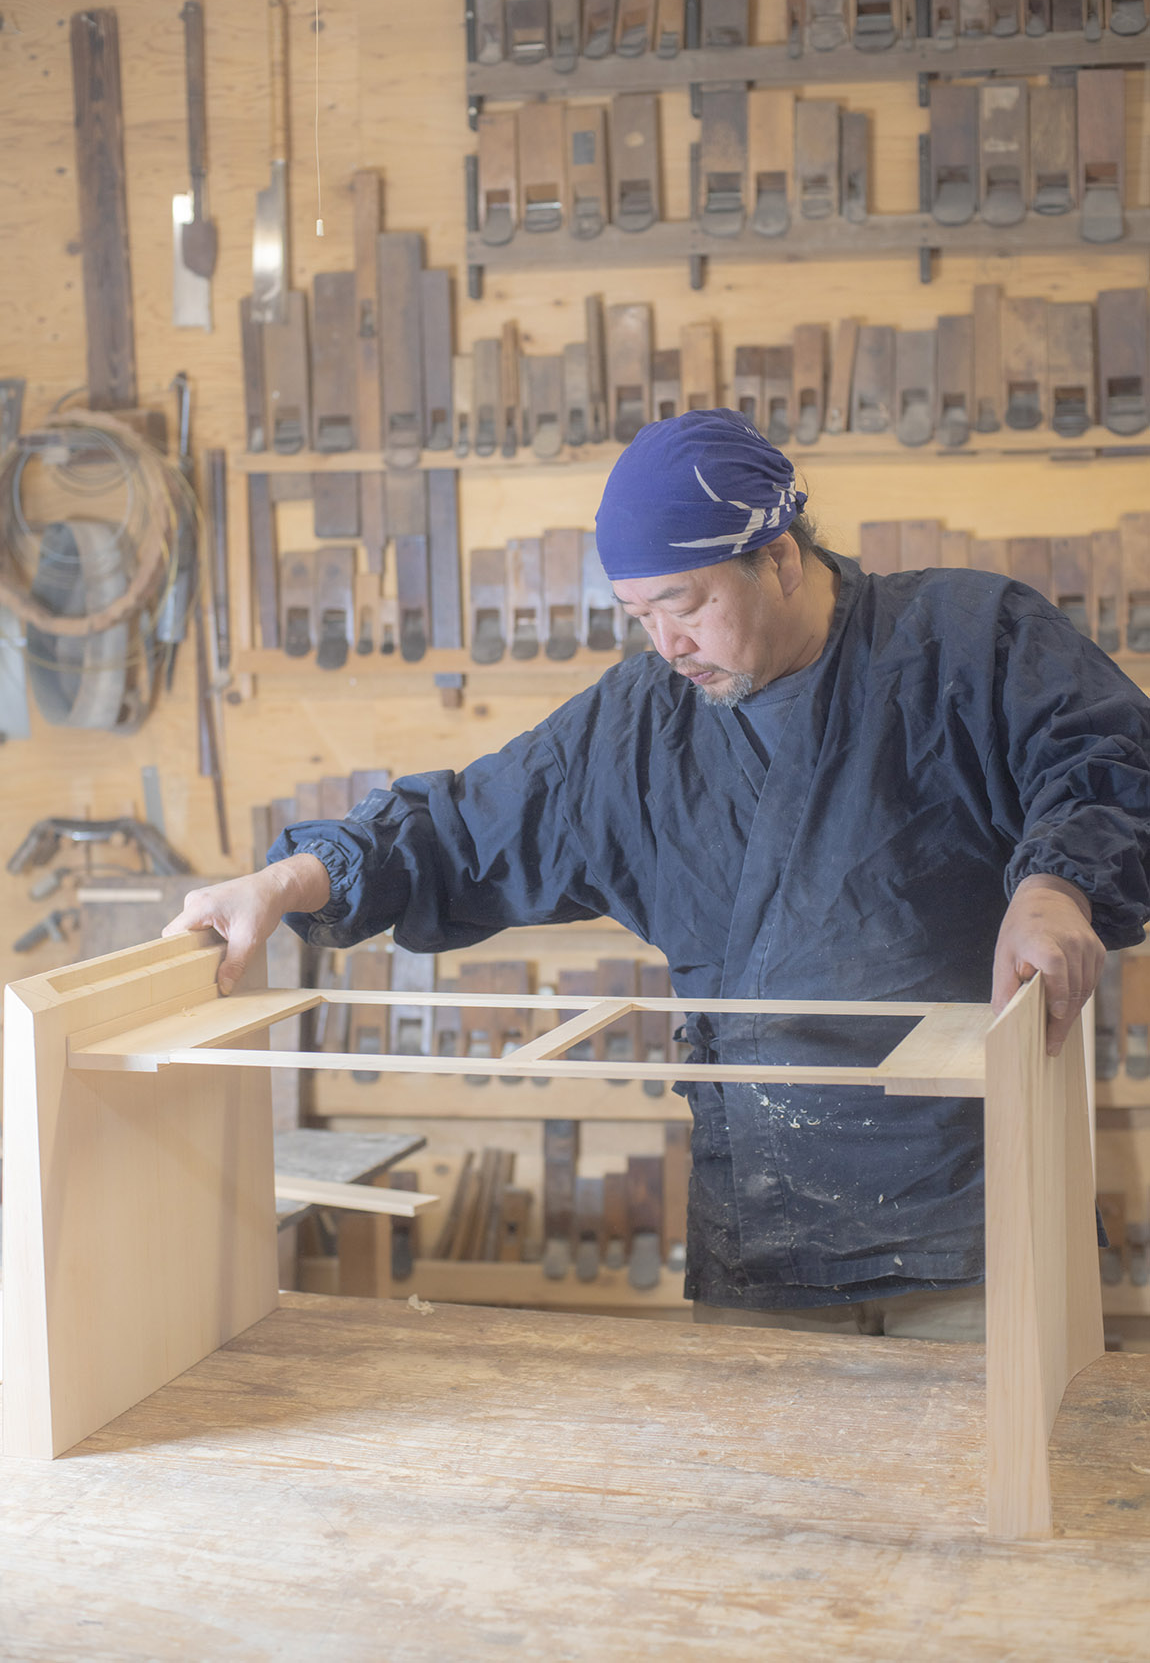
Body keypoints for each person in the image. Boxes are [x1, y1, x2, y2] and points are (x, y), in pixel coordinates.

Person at [165, 409, 1150, 1339]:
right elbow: (459, 833)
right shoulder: (638, 727)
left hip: (977, 1220)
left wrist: (1056, 887)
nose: (665, 647)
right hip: (765, 1234)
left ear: (778, 558)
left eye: (683, 607)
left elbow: (1100, 766)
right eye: (639, 616)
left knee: (995, 1502)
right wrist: (284, 883)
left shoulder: (966, 643)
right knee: (768, 1515)